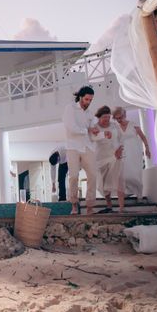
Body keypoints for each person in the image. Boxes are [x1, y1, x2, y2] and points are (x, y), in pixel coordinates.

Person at [63, 86, 99, 215]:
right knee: (73, 176)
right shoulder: (70, 108)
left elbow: (93, 128)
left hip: (88, 147)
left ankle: (90, 207)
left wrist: (95, 130)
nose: (88, 102)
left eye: (91, 100)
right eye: (87, 99)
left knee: (93, 175)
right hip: (72, 147)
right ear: (80, 97)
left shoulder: (90, 113)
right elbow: (71, 127)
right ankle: (74, 205)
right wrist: (87, 130)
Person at [112, 107, 151, 202]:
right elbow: (115, 142)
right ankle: (126, 192)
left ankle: (139, 195)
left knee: (135, 174)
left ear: (124, 115)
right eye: (117, 118)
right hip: (124, 153)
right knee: (124, 175)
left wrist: (147, 148)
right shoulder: (116, 128)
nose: (119, 120)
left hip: (135, 152)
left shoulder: (133, 124)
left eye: (120, 117)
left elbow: (143, 137)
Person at [91, 106, 124, 213]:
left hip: (114, 155)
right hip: (100, 157)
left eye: (108, 117)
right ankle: (109, 204)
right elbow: (93, 138)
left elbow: (121, 138)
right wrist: (103, 134)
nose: (107, 119)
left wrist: (120, 148)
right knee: (103, 182)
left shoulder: (114, 126)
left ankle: (121, 206)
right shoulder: (95, 127)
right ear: (99, 117)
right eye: (104, 117)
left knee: (115, 178)